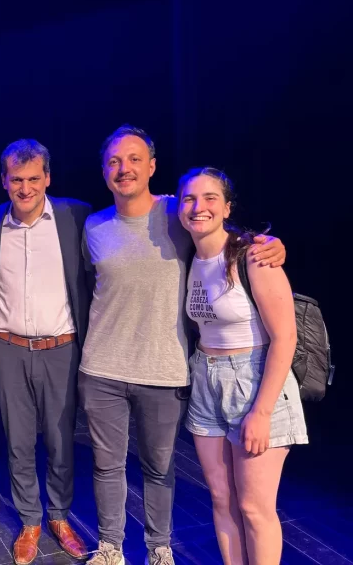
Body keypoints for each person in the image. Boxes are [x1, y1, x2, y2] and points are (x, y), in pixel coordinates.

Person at [79, 125, 287, 565]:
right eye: (114, 161)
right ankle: (111, 549)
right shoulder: (94, 226)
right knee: (109, 467)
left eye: (135, 159)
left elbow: (218, 221)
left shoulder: (178, 211)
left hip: (165, 369)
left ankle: (159, 548)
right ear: (102, 170)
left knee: (162, 469)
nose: (124, 168)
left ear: (152, 166)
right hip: (103, 369)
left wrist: (269, 243)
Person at [177, 167, 307, 565]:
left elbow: (285, 337)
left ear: (227, 206)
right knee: (221, 499)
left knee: (254, 508)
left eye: (210, 198)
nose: (199, 207)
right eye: (189, 199)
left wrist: (262, 412)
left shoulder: (253, 255)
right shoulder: (189, 256)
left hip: (255, 379)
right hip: (205, 380)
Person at [0, 139, 92, 565]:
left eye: (33, 179)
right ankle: (30, 519)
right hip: (6, 348)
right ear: (4, 180)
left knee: (63, 442)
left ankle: (59, 516)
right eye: (16, 180)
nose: (25, 188)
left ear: (47, 178)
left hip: (61, 348)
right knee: (19, 442)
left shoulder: (75, 216)